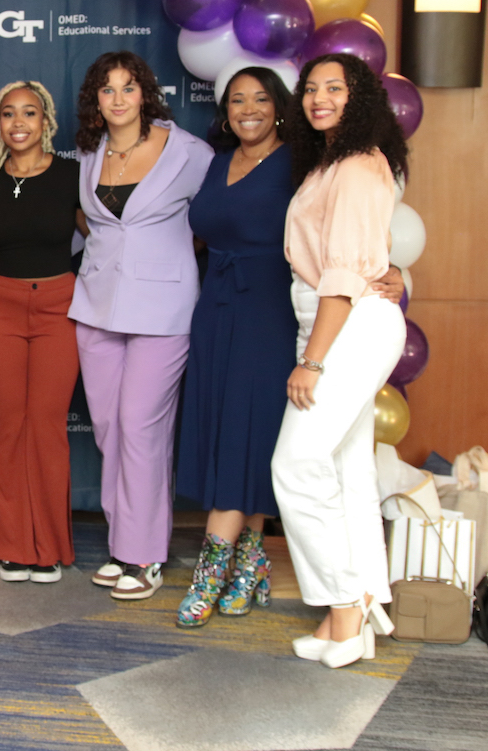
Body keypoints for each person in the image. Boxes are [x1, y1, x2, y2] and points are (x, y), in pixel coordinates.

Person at [175, 67, 410, 628]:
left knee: (264, 440)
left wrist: (392, 271)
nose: (247, 108)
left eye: (261, 98)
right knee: (237, 432)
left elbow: (355, 247)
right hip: (220, 307)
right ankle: (257, 562)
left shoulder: (320, 163)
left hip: (276, 314)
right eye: (236, 100)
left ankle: (219, 573)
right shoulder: (278, 163)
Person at [274, 52, 409, 669]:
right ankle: (358, 608)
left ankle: (344, 609)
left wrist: (314, 361)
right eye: (311, 88)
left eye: (336, 88)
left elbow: (344, 274)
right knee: (347, 469)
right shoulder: (333, 162)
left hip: (345, 326)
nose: (319, 97)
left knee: (297, 463)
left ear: (362, 99)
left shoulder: (356, 165)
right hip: (337, 319)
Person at [71, 51, 213, 600]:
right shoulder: (90, 153)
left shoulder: (188, 152)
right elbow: (93, 222)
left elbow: (219, 215)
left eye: (129, 87)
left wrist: (171, 256)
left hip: (163, 311)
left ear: (145, 92)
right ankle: (120, 544)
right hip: (98, 306)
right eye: (107, 90)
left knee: (141, 427)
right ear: (96, 101)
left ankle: (146, 553)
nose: (119, 98)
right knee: (109, 429)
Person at [0, 82, 85, 584]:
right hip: (0, 306)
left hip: (58, 306)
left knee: (47, 427)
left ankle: (49, 545)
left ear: (46, 121)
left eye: (29, 113)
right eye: (8, 113)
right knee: (10, 425)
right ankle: (14, 544)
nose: (18, 122)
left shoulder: (72, 175)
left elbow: (105, 236)